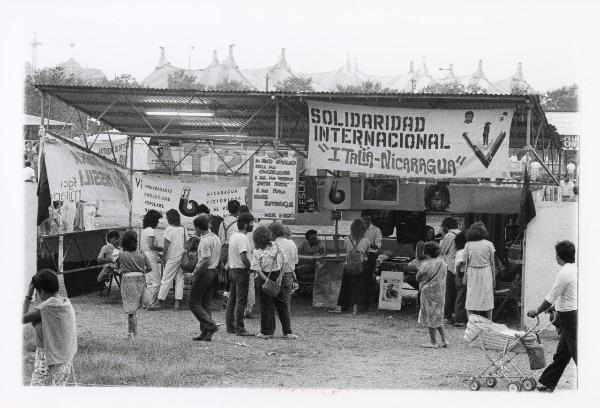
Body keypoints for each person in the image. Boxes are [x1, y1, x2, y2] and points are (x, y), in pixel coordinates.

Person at [527, 240, 577, 392]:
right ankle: (548, 382)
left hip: (569, 318)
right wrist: (556, 307)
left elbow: (551, 296)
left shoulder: (564, 273)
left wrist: (537, 311)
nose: (555, 257)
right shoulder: (575, 269)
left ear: (560, 256)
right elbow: (566, 295)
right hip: (570, 314)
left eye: (556, 254)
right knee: (562, 354)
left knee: (577, 352)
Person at [23, 269, 77, 386]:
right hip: (64, 360)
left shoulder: (45, 308)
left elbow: (22, 318)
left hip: (47, 359)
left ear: (40, 290)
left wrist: (28, 295)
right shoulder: (65, 303)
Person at [253, 225, 298, 339]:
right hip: (278, 277)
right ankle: (287, 332)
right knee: (283, 305)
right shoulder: (277, 246)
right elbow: (285, 262)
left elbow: (256, 268)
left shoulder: (257, 250)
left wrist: (266, 279)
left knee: (266, 306)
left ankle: (267, 332)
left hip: (264, 278)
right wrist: (280, 276)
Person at [189, 215, 222, 341]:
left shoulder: (204, 241)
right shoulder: (215, 238)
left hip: (205, 273)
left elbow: (205, 261)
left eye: (195, 228)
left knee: (193, 302)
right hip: (214, 272)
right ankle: (206, 332)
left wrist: (194, 273)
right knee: (205, 303)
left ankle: (210, 326)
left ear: (198, 227)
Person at [116, 230, 151, 338]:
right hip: (140, 279)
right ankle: (131, 332)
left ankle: (132, 333)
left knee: (130, 310)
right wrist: (141, 272)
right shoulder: (141, 253)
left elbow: (120, 270)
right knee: (134, 309)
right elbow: (149, 268)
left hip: (127, 281)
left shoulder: (121, 254)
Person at [149, 209, 187, 311]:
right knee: (180, 279)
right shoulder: (183, 228)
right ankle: (177, 303)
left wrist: (163, 258)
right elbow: (186, 244)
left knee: (166, 279)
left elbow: (166, 246)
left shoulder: (168, 229)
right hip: (182, 256)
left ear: (170, 218)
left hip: (172, 257)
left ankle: (159, 302)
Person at [331, 219, 370, 314]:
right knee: (359, 287)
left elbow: (346, 250)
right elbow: (367, 253)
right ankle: (356, 308)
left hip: (348, 265)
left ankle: (341, 306)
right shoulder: (366, 240)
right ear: (363, 229)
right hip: (360, 266)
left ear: (351, 229)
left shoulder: (346, 239)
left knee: (345, 286)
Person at [225, 212, 255, 336]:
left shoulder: (233, 236)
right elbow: (243, 256)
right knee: (241, 301)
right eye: (251, 223)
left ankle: (230, 326)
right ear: (245, 224)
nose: (253, 225)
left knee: (231, 300)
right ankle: (240, 328)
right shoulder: (243, 238)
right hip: (241, 271)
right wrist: (251, 268)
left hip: (232, 270)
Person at [415, 241, 448, 348]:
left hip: (428, 293)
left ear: (426, 252)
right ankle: (444, 340)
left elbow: (417, 278)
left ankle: (433, 342)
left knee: (430, 316)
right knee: (439, 316)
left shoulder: (425, 265)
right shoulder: (443, 262)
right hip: (440, 292)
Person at [463, 222, 496, 320]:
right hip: (486, 272)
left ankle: (470, 322)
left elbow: (466, 262)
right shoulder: (489, 244)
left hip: (472, 271)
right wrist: (494, 278)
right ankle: (489, 321)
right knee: (487, 295)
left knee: (471, 295)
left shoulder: (468, 244)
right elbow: (492, 263)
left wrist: (465, 275)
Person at [439, 217, 461, 325]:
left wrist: (442, 237)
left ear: (445, 226)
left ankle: (447, 316)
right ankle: (456, 314)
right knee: (458, 293)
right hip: (461, 267)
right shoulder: (461, 233)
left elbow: (441, 250)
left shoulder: (449, 235)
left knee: (448, 292)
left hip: (451, 266)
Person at [140, 210, 163, 305]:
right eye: (157, 220)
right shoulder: (151, 231)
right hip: (151, 258)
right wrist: (160, 248)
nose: (158, 222)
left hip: (145, 256)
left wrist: (158, 253)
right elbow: (151, 246)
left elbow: (145, 246)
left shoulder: (144, 230)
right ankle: (150, 302)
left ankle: (145, 302)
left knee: (149, 282)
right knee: (157, 282)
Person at [218, 200, 240, 297]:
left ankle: (226, 294)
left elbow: (219, 237)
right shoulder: (238, 223)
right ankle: (230, 296)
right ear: (238, 210)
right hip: (232, 249)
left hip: (223, 249)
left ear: (228, 209)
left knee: (225, 273)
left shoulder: (222, 222)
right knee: (233, 272)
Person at [239, 205, 257, 319]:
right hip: (253, 257)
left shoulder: (239, 231)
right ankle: (249, 309)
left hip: (240, 259)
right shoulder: (257, 227)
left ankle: (238, 309)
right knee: (251, 285)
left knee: (238, 286)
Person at [362, 211, 382, 307]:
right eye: (365, 219)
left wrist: (366, 243)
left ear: (371, 220)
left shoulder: (376, 230)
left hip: (371, 254)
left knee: (368, 276)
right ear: (362, 219)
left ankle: (370, 297)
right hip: (359, 254)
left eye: (368, 219)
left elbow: (377, 246)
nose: (367, 221)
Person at [453, 231, 468, 327]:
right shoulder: (464, 251)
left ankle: (459, 318)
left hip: (458, 275)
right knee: (462, 297)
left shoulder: (459, 251)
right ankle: (459, 319)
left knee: (460, 297)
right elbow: (459, 264)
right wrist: (458, 273)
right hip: (462, 275)